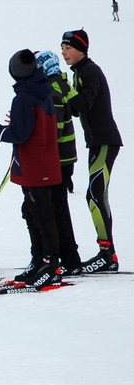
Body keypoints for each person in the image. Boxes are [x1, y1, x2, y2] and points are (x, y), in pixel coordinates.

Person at [0, 49, 62, 288]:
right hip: (40, 163)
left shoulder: (25, 97)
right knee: (33, 210)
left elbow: (19, 135)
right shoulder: (40, 90)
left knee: (41, 212)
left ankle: (50, 262)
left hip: (36, 165)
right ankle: (40, 259)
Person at [61, 29, 123, 272]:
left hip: (105, 140)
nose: (64, 52)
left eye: (68, 48)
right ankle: (107, 252)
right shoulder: (79, 73)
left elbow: (83, 104)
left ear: (81, 49)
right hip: (96, 141)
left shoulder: (90, 71)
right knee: (96, 195)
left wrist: (66, 90)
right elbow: (77, 109)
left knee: (95, 195)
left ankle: (107, 253)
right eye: (62, 48)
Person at [35, 50, 82, 275]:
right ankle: (69, 257)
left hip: (58, 158)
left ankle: (69, 258)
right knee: (59, 205)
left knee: (56, 207)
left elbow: (54, 128)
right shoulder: (62, 83)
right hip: (66, 156)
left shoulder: (52, 91)